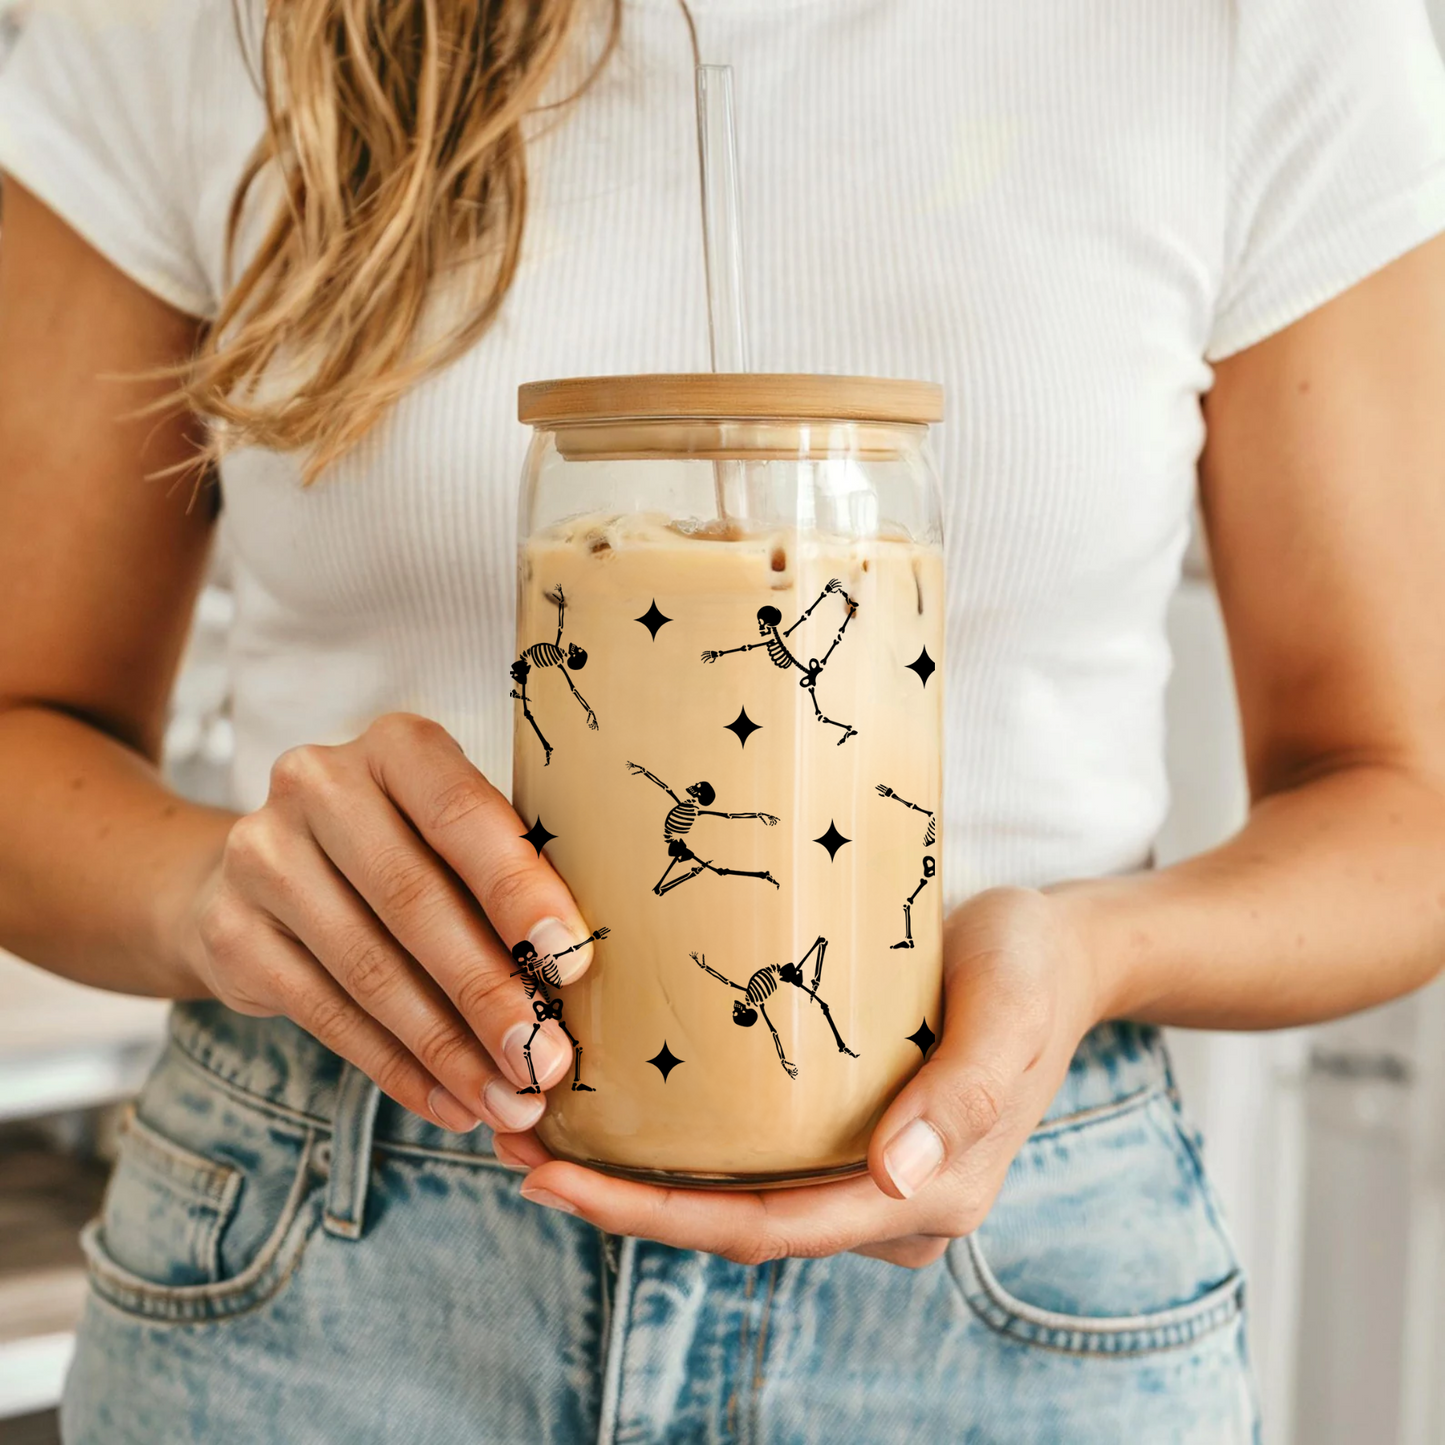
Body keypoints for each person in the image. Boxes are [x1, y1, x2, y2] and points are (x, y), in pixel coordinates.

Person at [2, 0, 1445, 1439]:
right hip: (340, 1254)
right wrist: (218, 894)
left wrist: (1087, 954)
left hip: (1010, 1270)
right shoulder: (196, 24)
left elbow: (1405, 797)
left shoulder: (1258, 28)